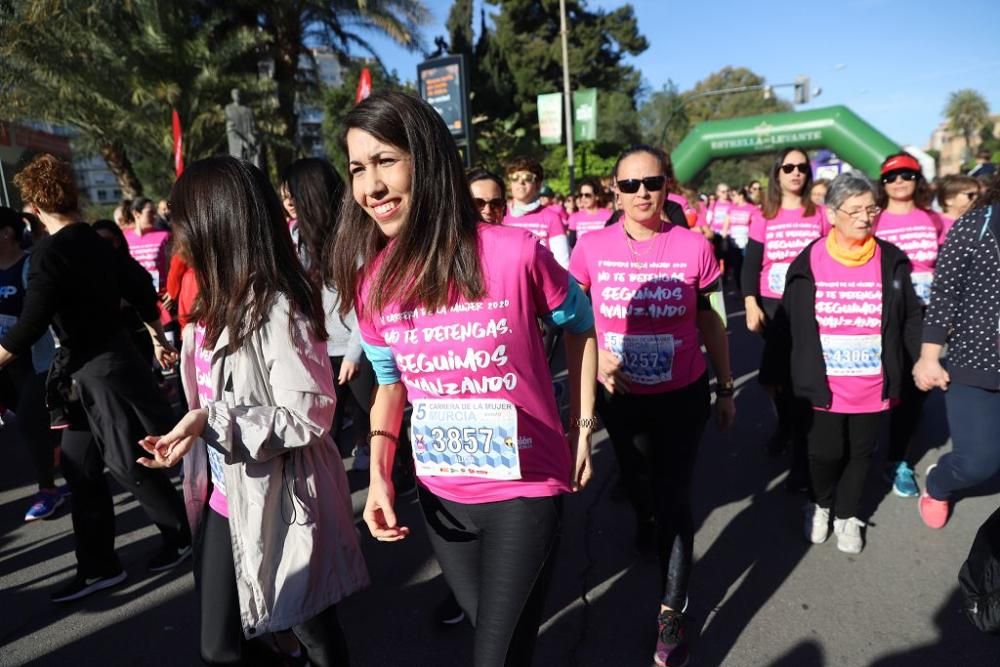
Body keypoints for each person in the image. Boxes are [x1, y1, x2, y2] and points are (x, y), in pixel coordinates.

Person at [332, 90, 597, 667]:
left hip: (524, 491)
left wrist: (581, 427)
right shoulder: (374, 281)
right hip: (442, 499)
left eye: (384, 161)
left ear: (425, 160)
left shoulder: (514, 253)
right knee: (497, 638)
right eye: (357, 168)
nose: (371, 186)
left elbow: (581, 325)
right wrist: (379, 478)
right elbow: (390, 385)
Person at [138, 156, 368, 665]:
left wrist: (208, 422)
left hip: (277, 496)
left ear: (217, 220)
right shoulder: (213, 300)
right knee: (222, 644)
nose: (174, 231)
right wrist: (188, 434)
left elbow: (309, 416)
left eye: (182, 216)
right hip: (224, 493)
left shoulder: (278, 305)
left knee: (310, 628)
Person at [569, 145, 735, 667]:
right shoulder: (590, 248)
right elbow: (577, 324)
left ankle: (671, 611)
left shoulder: (693, 247)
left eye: (653, 182)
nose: (643, 193)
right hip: (621, 398)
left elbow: (709, 319)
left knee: (675, 498)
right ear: (614, 191)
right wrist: (594, 370)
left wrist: (725, 386)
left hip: (682, 395)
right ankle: (644, 520)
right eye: (630, 184)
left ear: (667, 187)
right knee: (637, 482)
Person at [1, 154, 191, 602]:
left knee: (127, 462)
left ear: (33, 205)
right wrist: (154, 329)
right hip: (94, 368)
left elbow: (32, 320)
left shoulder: (51, 251)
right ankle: (99, 566)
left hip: (100, 369)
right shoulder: (92, 239)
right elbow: (140, 284)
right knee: (79, 466)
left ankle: (182, 535)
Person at [782, 171, 921, 554]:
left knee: (860, 453)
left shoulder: (891, 259)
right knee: (823, 452)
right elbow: (789, 323)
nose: (865, 217)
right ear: (831, 213)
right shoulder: (808, 260)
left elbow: (910, 315)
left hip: (872, 381)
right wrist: (778, 370)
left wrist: (920, 360)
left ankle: (846, 515)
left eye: (871, 208)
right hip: (823, 381)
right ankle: (821, 504)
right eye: (855, 209)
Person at [914, 174, 1000, 529]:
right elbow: (945, 294)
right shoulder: (976, 225)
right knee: (978, 461)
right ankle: (938, 484)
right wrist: (929, 356)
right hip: (976, 360)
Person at [281, 157, 375, 470]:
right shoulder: (295, 239)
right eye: (284, 197)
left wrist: (353, 354)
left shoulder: (353, 238)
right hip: (318, 350)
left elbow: (369, 304)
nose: (287, 203)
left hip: (357, 349)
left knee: (373, 419)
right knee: (327, 427)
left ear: (311, 195)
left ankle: (390, 472)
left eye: (292, 195)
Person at [741, 147, 825, 485]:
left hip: (810, 307)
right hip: (773, 308)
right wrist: (750, 303)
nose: (795, 172)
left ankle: (799, 455)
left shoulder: (819, 214)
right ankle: (786, 426)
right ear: (777, 174)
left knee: (799, 379)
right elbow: (750, 263)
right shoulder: (765, 215)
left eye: (802, 167)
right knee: (777, 379)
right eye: (788, 167)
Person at [874, 152, 942, 497]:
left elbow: (950, 268)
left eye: (907, 175)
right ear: (882, 183)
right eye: (891, 176)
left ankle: (896, 458)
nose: (899, 181)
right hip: (881, 315)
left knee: (916, 389)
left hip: (926, 315)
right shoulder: (873, 220)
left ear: (918, 180)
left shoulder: (934, 219)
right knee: (881, 382)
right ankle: (864, 446)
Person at [0, 207, 64, 521]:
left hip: (32, 365)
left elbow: (34, 320)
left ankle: (49, 490)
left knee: (30, 423)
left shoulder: (28, 267)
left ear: (7, 233)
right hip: (2, 370)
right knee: (37, 429)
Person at [501, 157, 570, 268]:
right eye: (515, 177)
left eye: (527, 178)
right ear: (510, 184)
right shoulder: (500, 215)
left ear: (538, 184)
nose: (520, 182)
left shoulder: (552, 217)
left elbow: (563, 264)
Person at [124, 196, 171, 293]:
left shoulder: (165, 236)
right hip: (135, 297)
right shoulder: (125, 238)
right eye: (150, 213)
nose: (155, 216)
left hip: (162, 297)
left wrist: (171, 292)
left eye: (155, 212)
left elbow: (173, 267)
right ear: (136, 214)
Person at [721, 187, 759, 293]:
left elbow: (755, 226)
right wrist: (723, 239)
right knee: (736, 268)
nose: (732, 198)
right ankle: (740, 290)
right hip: (733, 242)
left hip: (747, 242)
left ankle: (750, 290)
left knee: (747, 267)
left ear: (741, 196)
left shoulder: (752, 208)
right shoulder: (731, 208)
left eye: (734, 195)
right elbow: (726, 224)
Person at [936, 174, 980, 242]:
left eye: (978, 195)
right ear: (948, 200)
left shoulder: (979, 221)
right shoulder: (936, 223)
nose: (975, 198)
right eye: (970, 195)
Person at [567, 178, 610, 243]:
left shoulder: (608, 215)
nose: (583, 198)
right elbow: (572, 244)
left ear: (597, 196)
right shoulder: (574, 217)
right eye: (581, 195)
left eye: (587, 195)